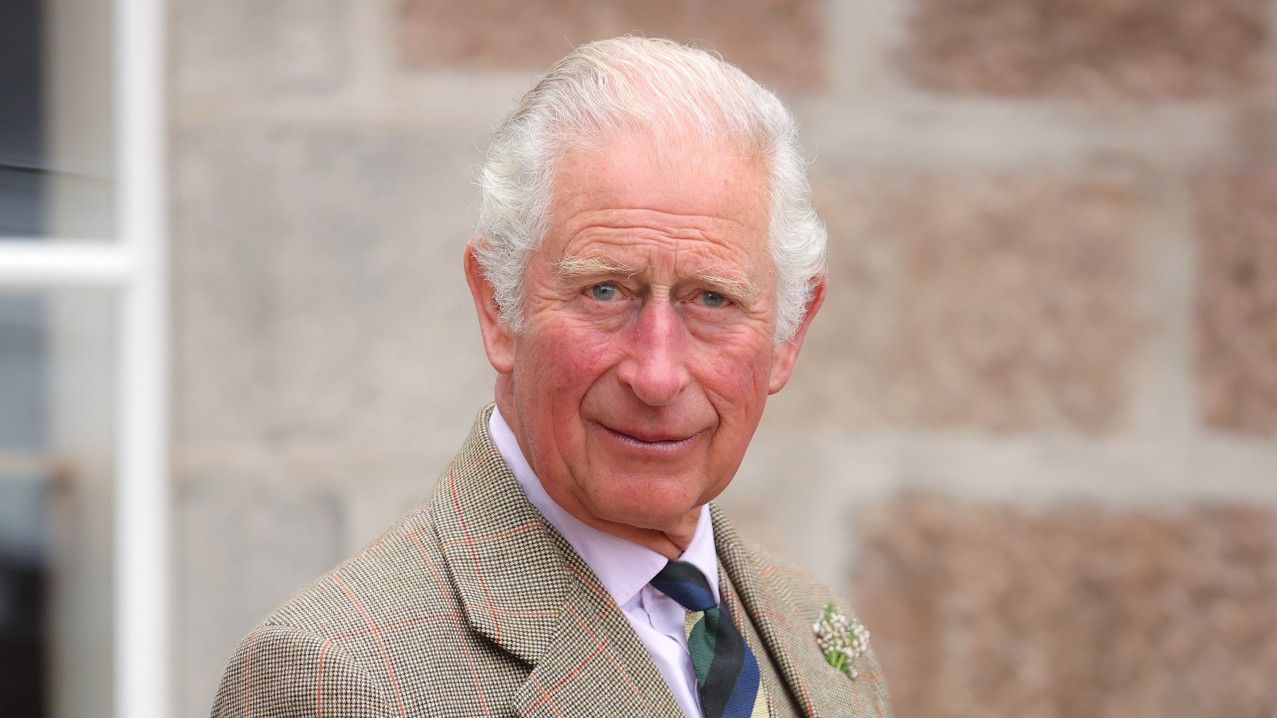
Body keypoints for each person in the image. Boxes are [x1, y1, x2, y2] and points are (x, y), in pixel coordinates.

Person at [211, 36, 892, 718]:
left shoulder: (812, 632)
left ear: (787, 336)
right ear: (498, 307)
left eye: (711, 299)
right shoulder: (335, 678)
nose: (655, 375)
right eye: (605, 290)